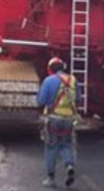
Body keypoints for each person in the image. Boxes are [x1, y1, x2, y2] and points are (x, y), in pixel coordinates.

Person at [36, 57, 79, 188]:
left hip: (53, 119)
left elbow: (41, 101)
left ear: (50, 69)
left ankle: (50, 178)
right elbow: (78, 98)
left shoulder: (49, 81)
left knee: (51, 147)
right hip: (69, 120)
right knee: (65, 145)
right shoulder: (73, 80)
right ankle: (69, 165)